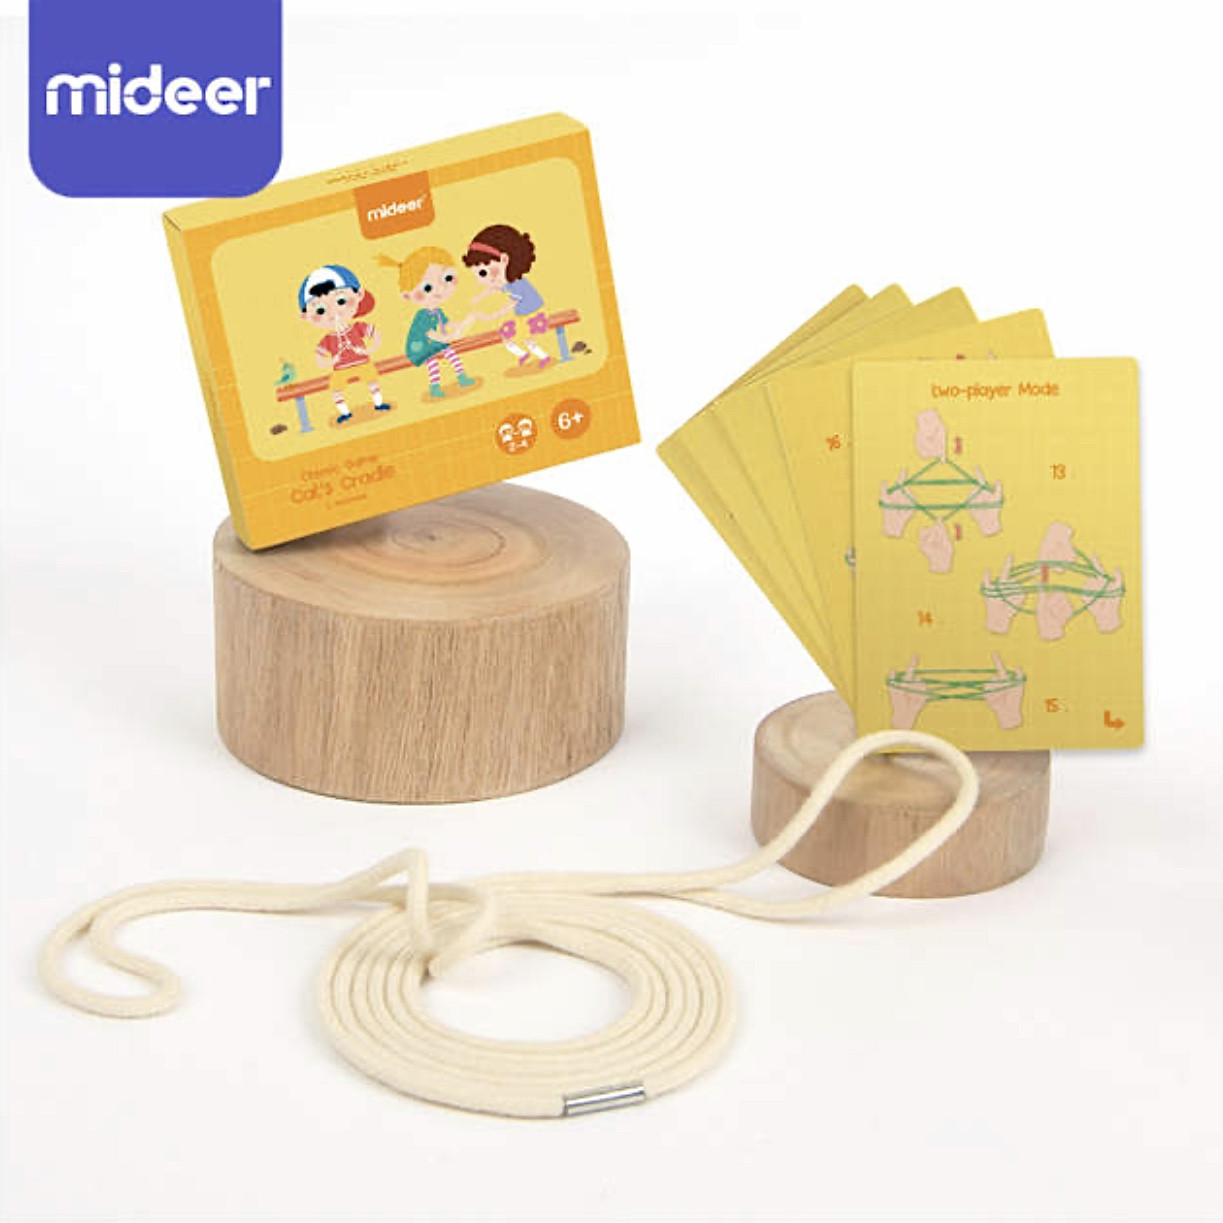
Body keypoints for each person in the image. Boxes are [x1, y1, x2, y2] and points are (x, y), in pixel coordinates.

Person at [377, 246, 477, 399]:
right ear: (407, 296)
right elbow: (431, 334)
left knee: (452, 355)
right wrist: (449, 338)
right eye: (428, 287)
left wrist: (462, 323)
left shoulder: (437, 311)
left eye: (447, 278)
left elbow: (446, 324)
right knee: (433, 364)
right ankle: (435, 387)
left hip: (437, 342)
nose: (441, 289)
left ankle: (462, 377)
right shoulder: (422, 316)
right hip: (423, 346)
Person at [297, 265, 388, 423]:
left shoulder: (357, 327)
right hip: (340, 369)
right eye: (320, 310)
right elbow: (319, 359)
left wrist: (368, 350)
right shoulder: (328, 339)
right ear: (305, 316)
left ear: (359, 295)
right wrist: (332, 361)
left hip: (362, 362)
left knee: (372, 381)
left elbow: (376, 335)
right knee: (336, 391)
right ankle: (345, 413)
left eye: (340, 301)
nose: (333, 312)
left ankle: (379, 404)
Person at [462, 224, 551, 368]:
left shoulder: (517, 284)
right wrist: (479, 297)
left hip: (532, 315)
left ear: (504, 260)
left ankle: (543, 357)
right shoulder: (507, 282)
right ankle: (524, 354)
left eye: (484, 273)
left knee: (525, 339)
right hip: (522, 316)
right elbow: (494, 288)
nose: (482, 280)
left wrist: (493, 315)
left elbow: (510, 303)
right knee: (509, 338)